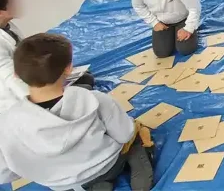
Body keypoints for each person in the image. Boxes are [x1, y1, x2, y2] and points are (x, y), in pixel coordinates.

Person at [0, 33, 153, 190]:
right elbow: (124, 134)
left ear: (16, 74)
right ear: (68, 69)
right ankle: (135, 157)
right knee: (134, 132)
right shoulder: (95, 100)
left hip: (67, 183)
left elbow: (5, 173)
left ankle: (96, 184)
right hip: (108, 163)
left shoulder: (7, 123)